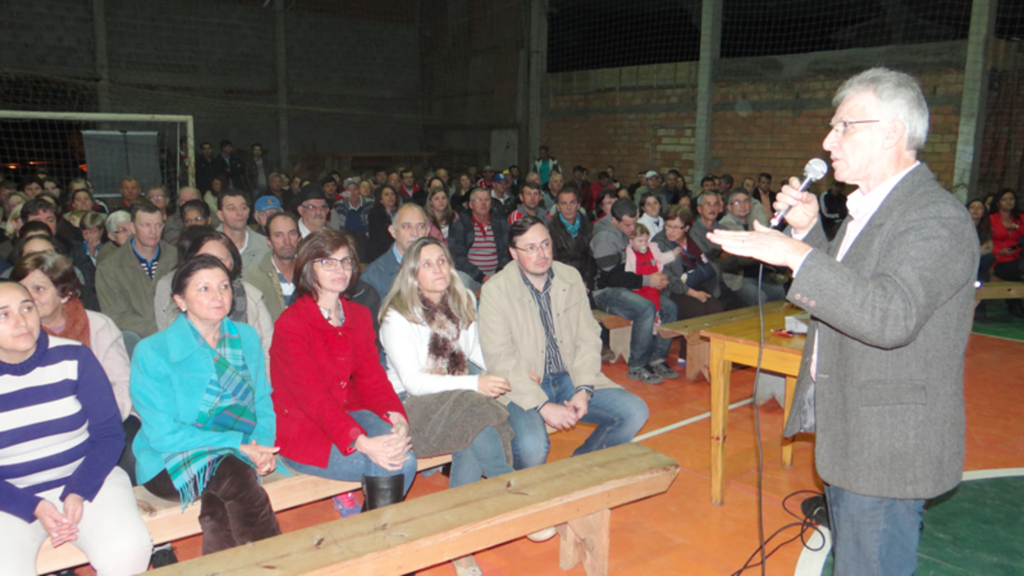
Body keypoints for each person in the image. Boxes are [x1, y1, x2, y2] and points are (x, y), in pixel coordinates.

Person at [707, 67, 977, 576]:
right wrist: (809, 234)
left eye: (844, 127)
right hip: (855, 429)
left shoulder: (933, 217)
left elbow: (889, 314)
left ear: (892, 132)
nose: (828, 141)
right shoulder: (869, 210)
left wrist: (796, 255)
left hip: (887, 444)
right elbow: (852, 285)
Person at [379, 237, 515, 575]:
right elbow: (414, 382)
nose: (438, 269)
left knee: (468, 429)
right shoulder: (397, 315)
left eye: (442, 261)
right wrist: (475, 383)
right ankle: (511, 490)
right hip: (410, 405)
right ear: (412, 274)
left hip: (456, 398)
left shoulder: (463, 298)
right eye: (426, 264)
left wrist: (506, 371)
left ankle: (459, 544)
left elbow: (474, 350)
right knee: (474, 407)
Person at [131, 255, 282, 554]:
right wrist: (238, 445)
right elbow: (164, 435)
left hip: (239, 452)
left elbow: (262, 401)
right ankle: (275, 560)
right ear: (180, 300)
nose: (218, 296)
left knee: (220, 505)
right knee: (232, 471)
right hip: (170, 459)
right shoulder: (152, 351)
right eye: (204, 288)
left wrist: (261, 448)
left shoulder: (246, 337)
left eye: (224, 286)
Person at [0, 281, 152, 575]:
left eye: (27, 308)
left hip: (88, 479)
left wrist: (78, 491)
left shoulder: (74, 357)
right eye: (4, 314)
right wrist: (32, 506)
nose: (21, 321)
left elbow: (108, 436)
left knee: (129, 548)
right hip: (10, 497)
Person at [479, 216, 649, 476]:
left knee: (635, 411)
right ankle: (523, 493)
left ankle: (575, 474)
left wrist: (584, 389)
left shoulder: (570, 277)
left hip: (569, 376)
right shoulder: (496, 290)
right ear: (513, 253)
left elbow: (588, 337)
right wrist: (543, 406)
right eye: (530, 248)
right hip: (522, 384)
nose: (541, 254)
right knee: (533, 447)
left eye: (545, 244)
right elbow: (499, 358)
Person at [270, 229, 417, 510]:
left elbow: (372, 377)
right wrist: (361, 442)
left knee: (399, 452)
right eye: (328, 262)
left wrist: (397, 417)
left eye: (346, 261)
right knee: (397, 463)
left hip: (349, 412)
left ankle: (372, 531)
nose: (340, 269)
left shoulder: (357, 315)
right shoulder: (292, 324)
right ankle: (375, 535)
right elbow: (313, 399)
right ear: (308, 267)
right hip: (304, 429)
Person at [590, 198, 679, 384]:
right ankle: (637, 366)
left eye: (634, 222)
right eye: (628, 225)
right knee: (646, 308)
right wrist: (648, 280)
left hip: (630, 285)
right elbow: (612, 278)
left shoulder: (625, 229)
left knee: (670, 307)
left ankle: (657, 358)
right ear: (614, 220)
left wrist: (655, 277)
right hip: (606, 291)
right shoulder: (604, 239)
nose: (632, 228)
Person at [154, 226, 274, 359]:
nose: (214, 266)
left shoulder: (251, 297)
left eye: (221, 260)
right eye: (206, 259)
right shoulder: (176, 302)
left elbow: (268, 351)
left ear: (232, 263)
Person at [95, 202, 178, 340]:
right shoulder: (110, 267)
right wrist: (162, 330)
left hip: (178, 333)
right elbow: (116, 315)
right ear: (132, 227)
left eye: (158, 225)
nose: (153, 231)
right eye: (145, 225)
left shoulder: (177, 259)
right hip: (138, 339)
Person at [651, 205, 723, 320]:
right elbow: (667, 278)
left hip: (698, 284)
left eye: (676, 227)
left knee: (716, 308)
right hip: (673, 290)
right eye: (668, 226)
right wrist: (695, 294)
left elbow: (708, 263)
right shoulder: (658, 243)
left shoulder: (694, 237)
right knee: (697, 310)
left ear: (686, 228)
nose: (671, 231)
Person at [449, 188, 511, 286]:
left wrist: (498, 273)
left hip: (497, 274)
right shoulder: (461, 225)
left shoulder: (501, 223)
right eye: (478, 200)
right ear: (470, 204)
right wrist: (481, 276)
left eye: (486, 200)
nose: (483, 203)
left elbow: (507, 252)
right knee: (460, 280)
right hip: (470, 276)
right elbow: (457, 257)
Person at [626, 224, 670, 332]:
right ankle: (639, 324)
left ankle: (655, 320)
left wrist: (673, 254)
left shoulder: (652, 250)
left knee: (655, 303)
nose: (644, 244)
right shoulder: (630, 255)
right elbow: (628, 271)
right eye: (640, 241)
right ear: (631, 241)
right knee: (642, 307)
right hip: (639, 287)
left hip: (652, 286)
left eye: (646, 240)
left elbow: (661, 258)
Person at [548, 187, 594, 288]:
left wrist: (586, 281)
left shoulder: (589, 226)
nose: (568, 207)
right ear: (558, 207)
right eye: (563, 204)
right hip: (561, 283)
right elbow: (552, 262)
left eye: (572, 203)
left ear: (578, 205)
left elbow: (592, 259)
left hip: (586, 281)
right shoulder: (549, 230)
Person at [216, 189, 270, 273]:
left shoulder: (265, 245)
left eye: (243, 208)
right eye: (231, 209)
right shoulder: (209, 245)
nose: (239, 213)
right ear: (220, 215)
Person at [365, 184, 400, 262]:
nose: (390, 197)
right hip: (380, 253)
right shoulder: (375, 213)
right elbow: (381, 236)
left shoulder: (399, 213)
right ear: (380, 199)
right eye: (386, 194)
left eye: (392, 194)